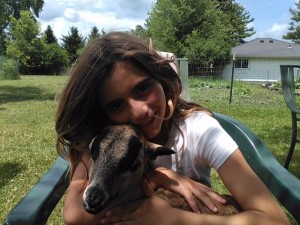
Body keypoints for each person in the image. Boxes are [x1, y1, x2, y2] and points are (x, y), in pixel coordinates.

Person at [55, 31, 290, 225]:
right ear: (103, 111)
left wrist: (173, 218)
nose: (139, 112)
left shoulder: (200, 130)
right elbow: (75, 217)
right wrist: (162, 176)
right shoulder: (107, 137)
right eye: (116, 105)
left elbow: (275, 220)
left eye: (142, 88)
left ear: (162, 78)